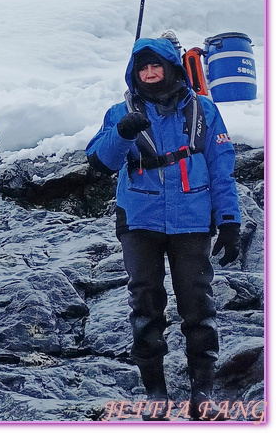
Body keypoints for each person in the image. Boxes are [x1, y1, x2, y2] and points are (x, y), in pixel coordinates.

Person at [86, 37, 241, 421]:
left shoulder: (203, 110)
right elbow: (99, 163)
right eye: (143, 68)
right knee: (145, 304)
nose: (151, 73)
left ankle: (202, 393)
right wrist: (121, 133)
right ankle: (155, 392)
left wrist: (230, 221)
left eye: (157, 66)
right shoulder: (120, 111)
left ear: (172, 67)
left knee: (198, 305)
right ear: (134, 73)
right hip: (140, 221)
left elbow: (222, 166)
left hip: (192, 220)